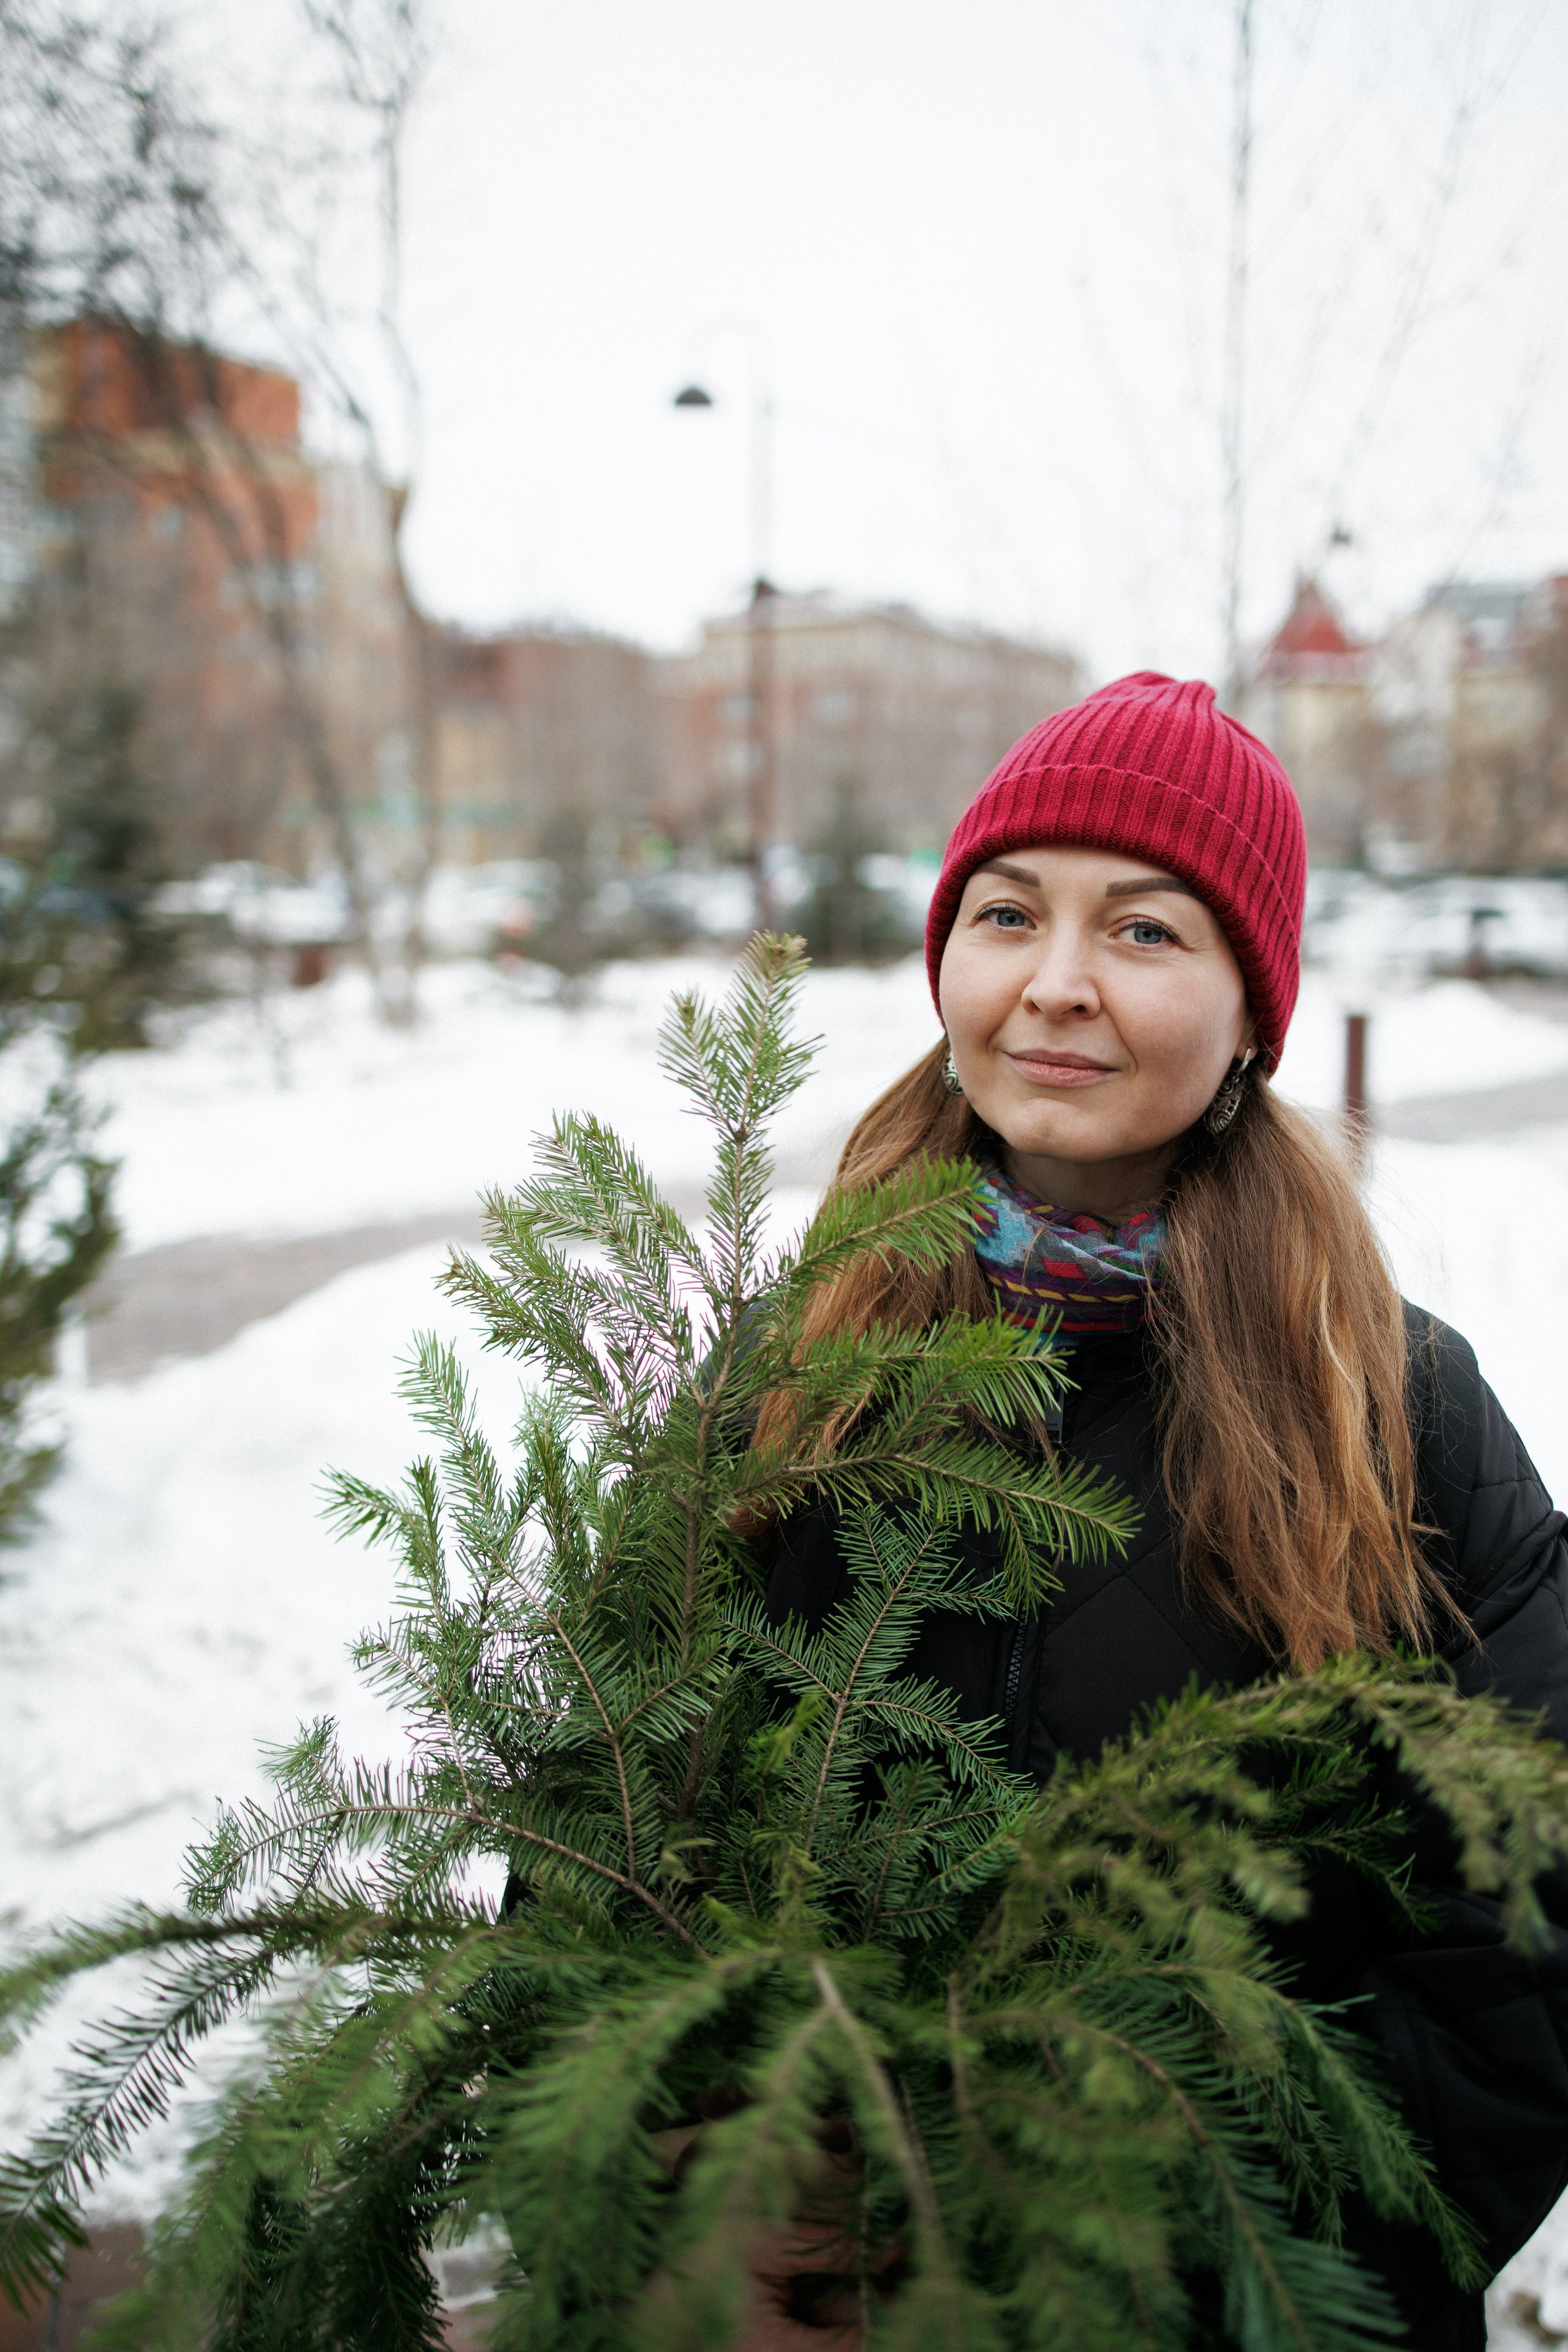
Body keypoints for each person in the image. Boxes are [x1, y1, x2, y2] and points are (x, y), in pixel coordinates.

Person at [760, 671, 1568, 2351]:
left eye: (1143, 932)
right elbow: (617, 1825)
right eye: (1006, 916)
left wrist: (1180, 2234)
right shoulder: (797, 1372)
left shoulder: (1400, 1420)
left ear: (1252, 1012)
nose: (1053, 986)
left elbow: (1524, 1974)